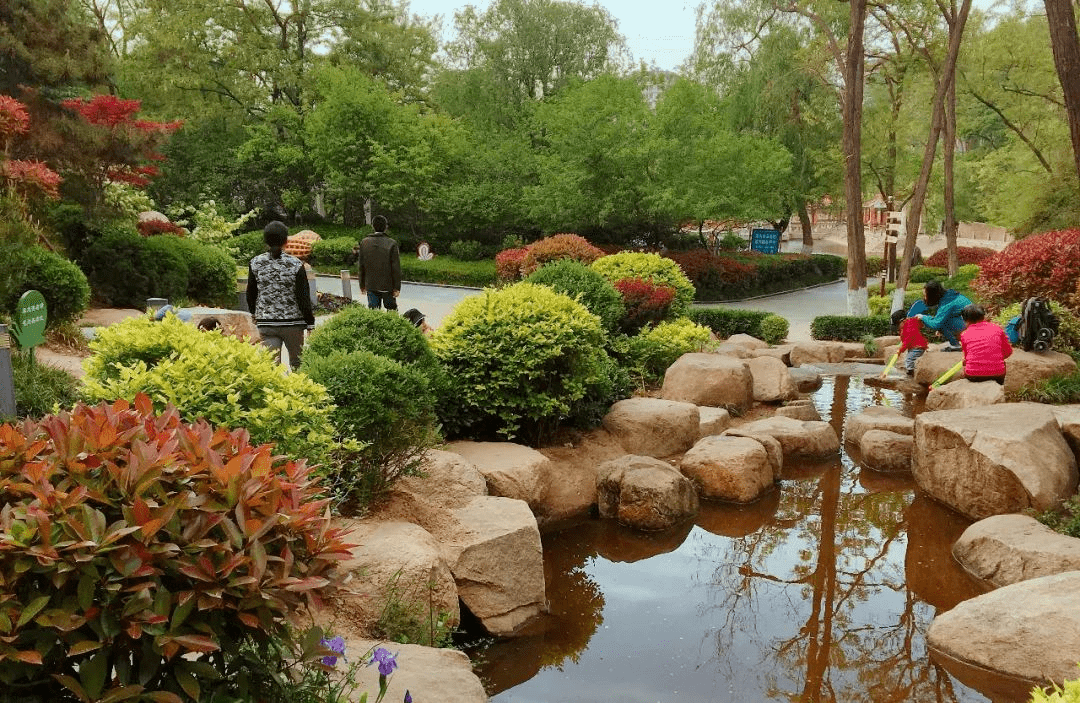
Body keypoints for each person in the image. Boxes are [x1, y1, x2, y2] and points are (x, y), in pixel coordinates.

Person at [246, 221, 315, 370]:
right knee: (298, 365)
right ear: (286, 241)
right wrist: (310, 323)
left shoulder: (255, 263)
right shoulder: (296, 264)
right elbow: (303, 297)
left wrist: (254, 313)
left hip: (267, 323)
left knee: (271, 368)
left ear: (266, 240)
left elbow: (251, 293)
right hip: (293, 324)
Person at [912, 280, 972, 351]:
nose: (924, 298)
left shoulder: (947, 303)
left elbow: (936, 324)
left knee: (942, 323)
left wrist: (922, 317)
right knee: (942, 321)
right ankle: (957, 344)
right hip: (970, 325)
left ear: (932, 294)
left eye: (925, 295)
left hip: (969, 327)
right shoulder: (950, 295)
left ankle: (956, 345)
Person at [959, 303, 1012, 385]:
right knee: (1002, 365)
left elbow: (966, 358)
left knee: (966, 368)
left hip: (973, 375)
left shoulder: (964, 334)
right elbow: (1008, 352)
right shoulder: (997, 328)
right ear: (983, 316)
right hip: (998, 375)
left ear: (965, 320)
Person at [358, 215, 401, 310]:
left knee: (374, 312)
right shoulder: (391, 243)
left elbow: (361, 265)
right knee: (392, 311)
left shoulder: (364, 243)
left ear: (373, 226)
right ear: (386, 227)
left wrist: (362, 284)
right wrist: (397, 287)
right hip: (388, 285)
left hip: (371, 284)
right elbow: (396, 267)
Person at [891, 308, 929, 377]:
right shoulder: (907, 325)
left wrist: (900, 350)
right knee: (911, 359)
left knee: (909, 359)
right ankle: (913, 371)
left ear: (903, 321)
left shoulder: (909, 326)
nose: (898, 327)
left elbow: (907, 340)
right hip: (914, 347)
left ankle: (910, 373)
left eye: (897, 325)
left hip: (917, 346)